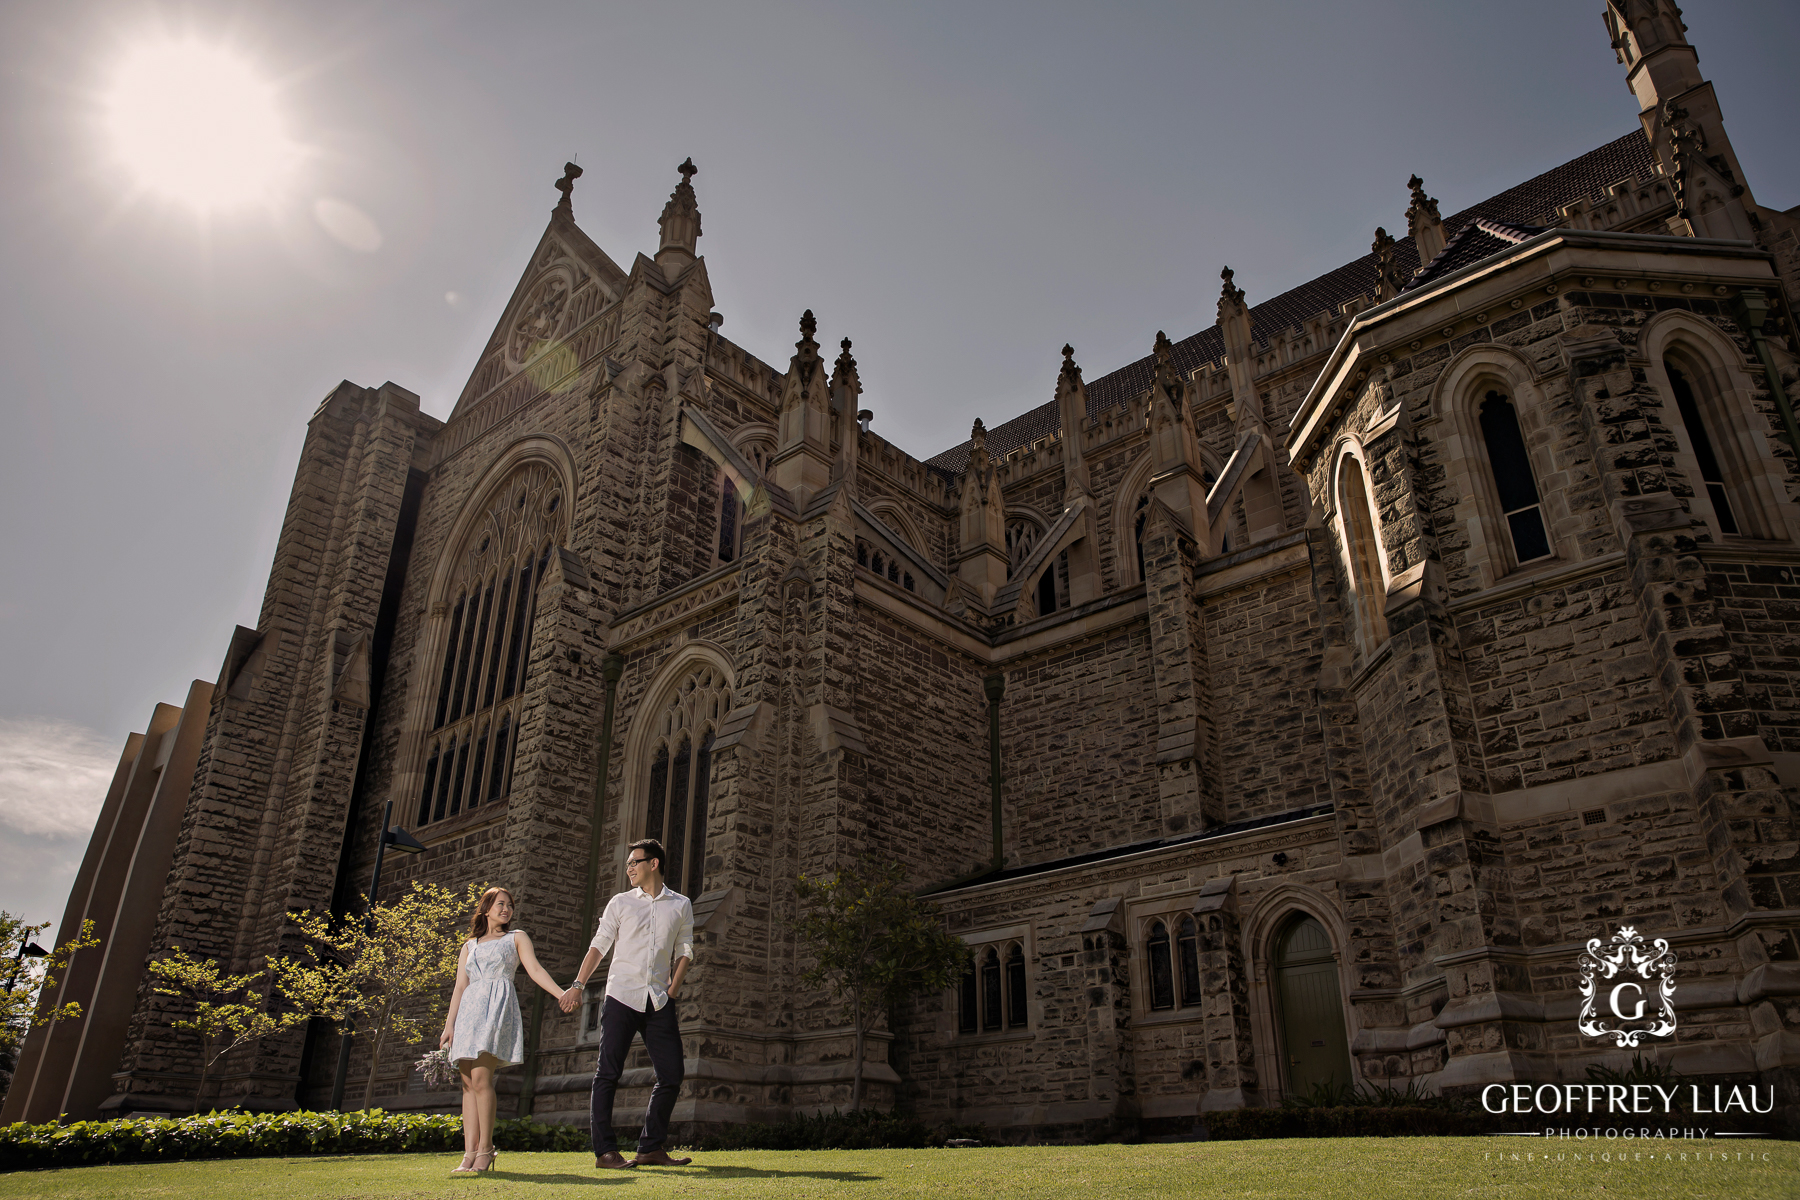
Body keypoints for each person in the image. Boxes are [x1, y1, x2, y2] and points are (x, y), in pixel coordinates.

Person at [559, 837, 694, 1169]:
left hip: (659, 1001)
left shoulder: (681, 905)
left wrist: (673, 988)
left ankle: (650, 1147)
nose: (629, 868)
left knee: (672, 1073)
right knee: (608, 1073)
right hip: (621, 997)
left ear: (653, 864)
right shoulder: (620, 903)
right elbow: (599, 945)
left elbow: (686, 949)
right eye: (628, 863)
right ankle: (605, 1152)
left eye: (635, 862)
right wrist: (578, 985)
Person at [440, 886, 570, 1175]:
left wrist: (560, 993)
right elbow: (460, 987)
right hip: (468, 1014)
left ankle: (486, 1150)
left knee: (482, 1079)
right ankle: (469, 1153)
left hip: (496, 1009)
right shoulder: (469, 946)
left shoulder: (516, 938)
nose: (506, 909)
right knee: (467, 1084)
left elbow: (534, 970)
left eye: (510, 905)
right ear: (486, 908)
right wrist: (449, 1025)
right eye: (500, 904)